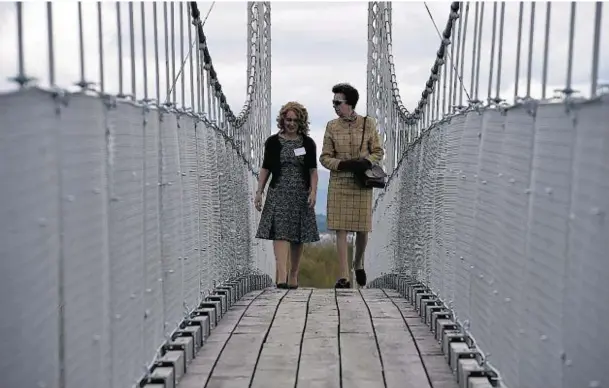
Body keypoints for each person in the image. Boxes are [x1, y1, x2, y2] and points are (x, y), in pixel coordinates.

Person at [319, 83, 385, 289]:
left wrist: (366, 163)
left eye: (338, 102)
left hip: (361, 182)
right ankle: (344, 276)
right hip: (340, 182)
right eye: (333, 103)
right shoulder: (331, 126)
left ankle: (358, 264)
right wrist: (343, 164)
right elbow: (324, 158)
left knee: (363, 230)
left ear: (350, 103)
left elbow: (378, 151)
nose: (335, 107)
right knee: (340, 229)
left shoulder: (369, 123)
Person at [254, 101, 320, 289]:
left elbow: (313, 171)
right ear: (282, 120)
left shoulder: (307, 143)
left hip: (300, 193)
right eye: (288, 119)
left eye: (295, 120)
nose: (291, 123)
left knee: (297, 235)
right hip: (278, 192)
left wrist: (313, 191)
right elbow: (266, 168)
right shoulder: (273, 142)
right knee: (280, 233)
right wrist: (259, 191)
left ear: (301, 122)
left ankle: (293, 273)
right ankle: (281, 275)